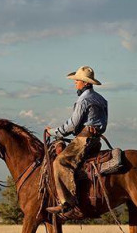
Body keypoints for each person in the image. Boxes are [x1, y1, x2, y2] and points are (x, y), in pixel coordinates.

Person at [45, 65, 108, 217]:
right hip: (96, 140)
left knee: (59, 162)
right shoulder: (102, 99)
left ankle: (66, 203)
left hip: (83, 140)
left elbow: (72, 124)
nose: (75, 83)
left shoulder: (83, 100)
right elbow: (104, 123)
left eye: (77, 81)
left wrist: (53, 132)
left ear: (85, 83)